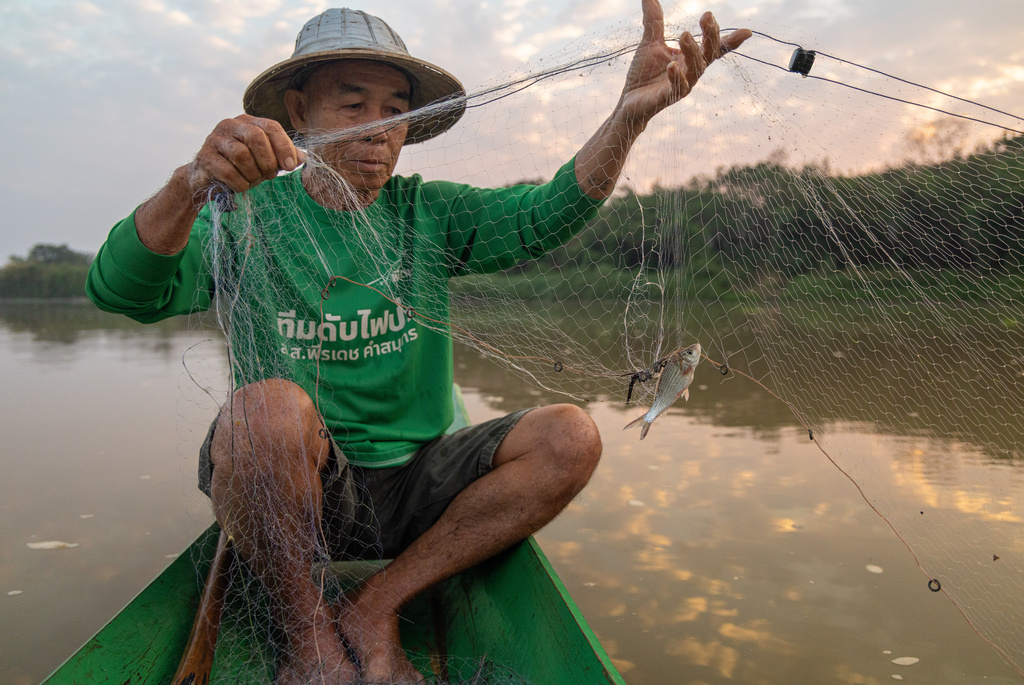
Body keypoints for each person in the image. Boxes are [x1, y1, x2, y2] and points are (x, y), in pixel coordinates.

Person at [87, 2, 749, 683]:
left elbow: (546, 213)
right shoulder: (246, 216)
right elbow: (119, 291)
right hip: (300, 501)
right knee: (266, 412)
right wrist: (193, 181)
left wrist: (630, 114)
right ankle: (307, 627)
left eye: (395, 108)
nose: (381, 129)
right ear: (298, 112)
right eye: (353, 105)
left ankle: (378, 604)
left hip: (422, 487)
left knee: (571, 438)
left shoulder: (429, 211)